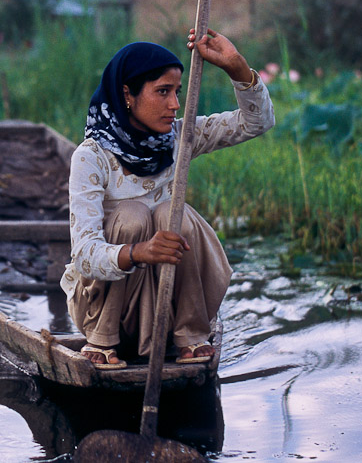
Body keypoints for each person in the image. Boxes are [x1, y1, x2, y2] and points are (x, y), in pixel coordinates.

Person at [60, 27, 275, 368]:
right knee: (131, 216)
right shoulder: (92, 156)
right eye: (162, 92)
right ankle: (101, 341)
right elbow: (85, 255)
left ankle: (190, 334)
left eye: (176, 91)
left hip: (168, 308)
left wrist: (236, 67)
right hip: (107, 309)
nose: (175, 104)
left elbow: (257, 122)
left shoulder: (181, 137)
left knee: (174, 214)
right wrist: (138, 252)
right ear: (127, 94)